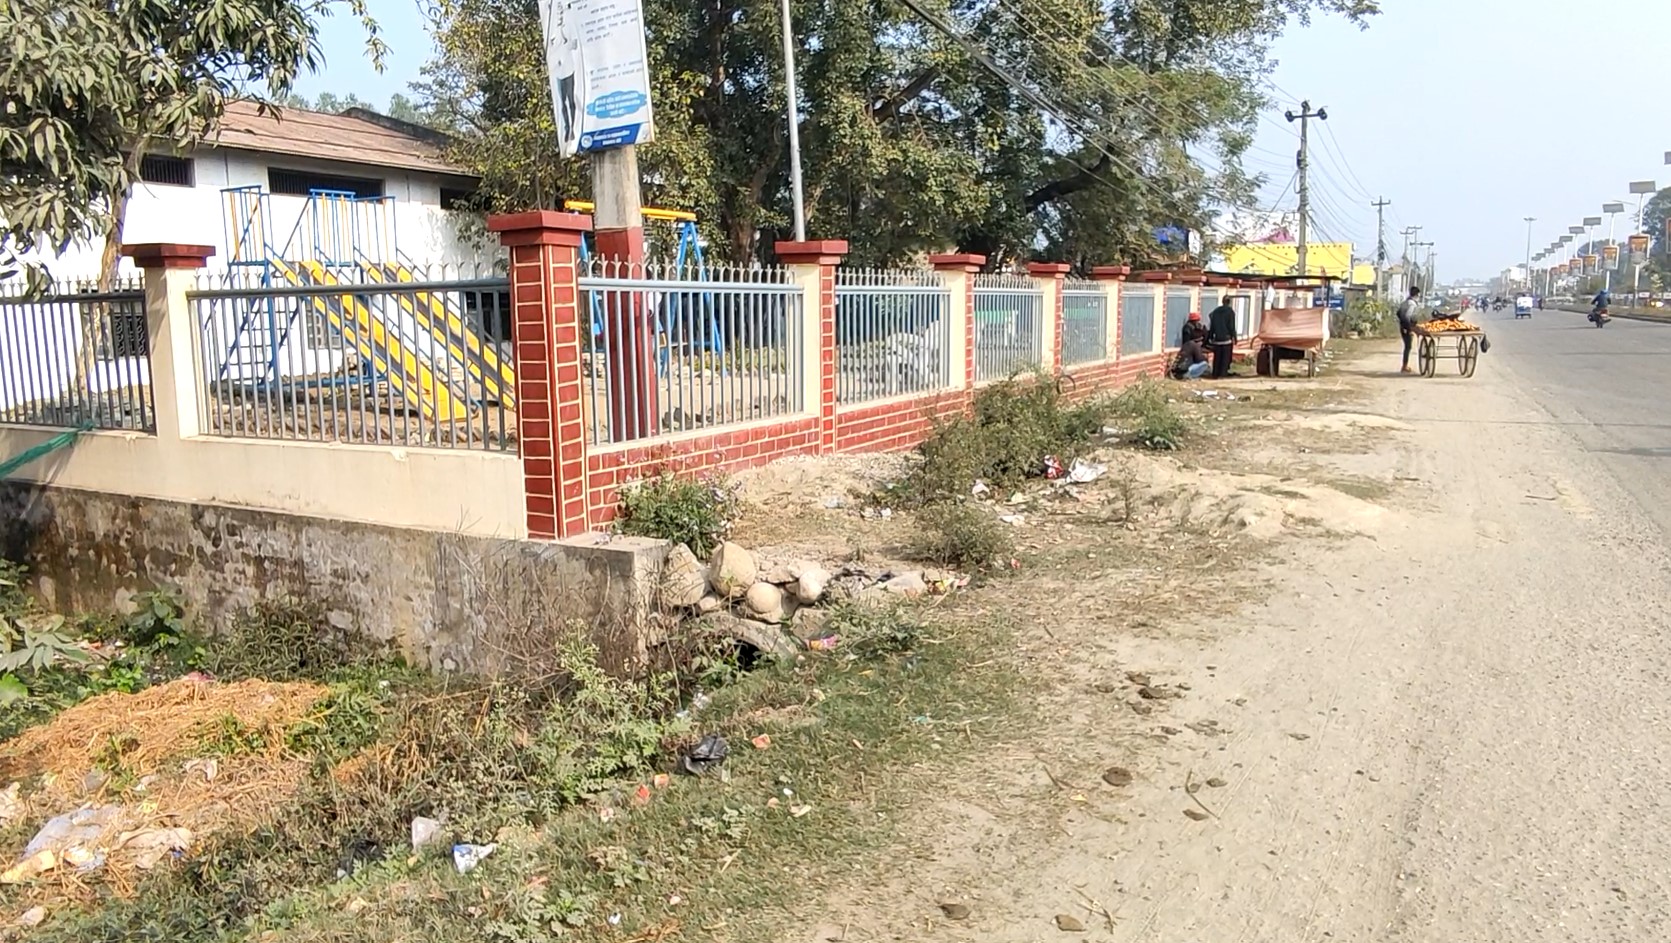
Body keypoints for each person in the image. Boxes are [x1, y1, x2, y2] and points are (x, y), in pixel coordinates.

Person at [1206, 296, 1238, 379]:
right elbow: (1231, 326)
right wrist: (1234, 337)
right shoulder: (1230, 312)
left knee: (1217, 358)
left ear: (1222, 301)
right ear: (1229, 302)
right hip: (1226, 339)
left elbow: (1212, 326)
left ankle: (1215, 373)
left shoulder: (1216, 311)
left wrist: (1210, 336)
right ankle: (1223, 373)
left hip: (1217, 339)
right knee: (1225, 358)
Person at [1395, 286, 1421, 374]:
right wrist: (1408, 328)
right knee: (1408, 346)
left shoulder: (1405, 302)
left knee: (1407, 346)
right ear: (1416, 295)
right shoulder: (1412, 304)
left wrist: (1402, 323)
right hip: (1407, 327)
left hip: (1403, 326)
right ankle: (1404, 366)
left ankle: (1404, 365)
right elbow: (1407, 316)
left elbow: (1398, 313)